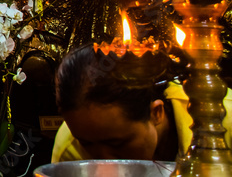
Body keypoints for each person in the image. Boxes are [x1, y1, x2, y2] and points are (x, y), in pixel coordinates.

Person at [53, 44, 232, 162]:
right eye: (87, 144)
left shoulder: (224, 120)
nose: (105, 163)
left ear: (156, 113)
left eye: (117, 144)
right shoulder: (70, 148)